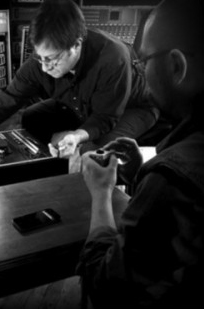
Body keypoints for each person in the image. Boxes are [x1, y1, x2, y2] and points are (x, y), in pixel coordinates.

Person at [0, 0, 158, 169]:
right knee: (31, 117)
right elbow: (5, 100)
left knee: (96, 150)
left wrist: (77, 136)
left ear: (76, 45)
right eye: (40, 57)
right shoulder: (41, 61)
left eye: (52, 59)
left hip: (130, 109)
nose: (45, 67)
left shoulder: (112, 57)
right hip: (81, 108)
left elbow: (106, 117)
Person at [77, 0, 204, 308]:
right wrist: (138, 175)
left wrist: (101, 193)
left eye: (144, 61)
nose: (141, 73)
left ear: (177, 66)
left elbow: (104, 285)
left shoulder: (171, 179)